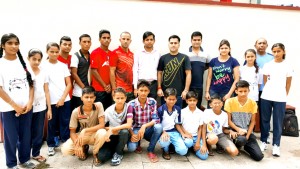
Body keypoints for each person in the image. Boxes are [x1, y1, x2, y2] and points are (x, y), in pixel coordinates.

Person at [0, 33, 36, 169]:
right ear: (2, 45)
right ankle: (11, 164)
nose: (14, 46)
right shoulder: (1, 64)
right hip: (9, 108)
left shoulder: (24, 63)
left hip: (26, 107)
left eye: (16, 43)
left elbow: (31, 84)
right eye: (10, 43)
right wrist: (14, 105)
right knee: (11, 138)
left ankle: (25, 159)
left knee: (26, 135)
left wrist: (30, 102)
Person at [260, 43, 293, 157]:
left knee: (278, 122)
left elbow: (288, 83)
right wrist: (270, 90)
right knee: (265, 120)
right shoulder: (268, 65)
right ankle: (263, 141)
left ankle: (276, 145)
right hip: (266, 96)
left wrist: (283, 94)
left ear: (283, 51)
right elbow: (265, 80)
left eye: (278, 51)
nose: (276, 53)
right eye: (274, 51)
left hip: (280, 97)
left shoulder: (287, 66)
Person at [61, 86, 106, 167]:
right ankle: (83, 148)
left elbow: (102, 125)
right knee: (65, 150)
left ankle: (96, 153)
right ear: (81, 98)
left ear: (94, 98)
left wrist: (85, 130)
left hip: (95, 134)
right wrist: (77, 146)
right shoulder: (76, 111)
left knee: (102, 132)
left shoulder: (99, 105)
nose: (89, 99)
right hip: (82, 137)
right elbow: (72, 132)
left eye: (91, 97)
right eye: (86, 97)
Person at [43, 42, 72, 156]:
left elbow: (69, 84)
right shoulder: (43, 66)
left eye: (56, 52)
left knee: (65, 122)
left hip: (65, 99)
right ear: (47, 52)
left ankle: (66, 144)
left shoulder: (62, 66)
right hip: (50, 100)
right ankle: (51, 145)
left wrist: (63, 98)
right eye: (52, 52)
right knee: (52, 124)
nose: (54, 54)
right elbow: (44, 86)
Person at [225, 80, 264, 161]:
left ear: (248, 91)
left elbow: (253, 121)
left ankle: (245, 145)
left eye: (245, 91)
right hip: (235, 131)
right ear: (236, 91)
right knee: (241, 140)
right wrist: (239, 130)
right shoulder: (229, 101)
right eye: (240, 91)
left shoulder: (253, 103)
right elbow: (228, 121)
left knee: (259, 157)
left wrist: (247, 136)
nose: (243, 93)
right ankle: (237, 144)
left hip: (247, 132)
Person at [127, 80, 162, 163]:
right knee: (131, 148)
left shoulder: (152, 102)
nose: (143, 93)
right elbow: (128, 123)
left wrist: (144, 126)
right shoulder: (131, 104)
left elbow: (156, 119)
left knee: (159, 127)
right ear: (137, 91)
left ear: (149, 91)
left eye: (145, 91)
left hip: (148, 128)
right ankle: (138, 143)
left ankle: (150, 150)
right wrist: (132, 134)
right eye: (141, 90)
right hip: (136, 129)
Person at [28, 48, 52, 163]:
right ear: (28, 58)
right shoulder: (24, 71)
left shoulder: (43, 72)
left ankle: (36, 154)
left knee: (38, 131)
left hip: (41, 106)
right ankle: (24, 155)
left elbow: (46, 91)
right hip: (26, 107)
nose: (37, 62)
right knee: (25, 132)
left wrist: (49, 108)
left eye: (39, 60)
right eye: (34, 59)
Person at [97, 87, 132, 166]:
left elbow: (128, 124)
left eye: (122, 98)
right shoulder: (109, 110)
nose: (120, 100)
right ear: (113, 98)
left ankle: (119, 153)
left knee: (124, 131)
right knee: (101, 157)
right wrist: (110, 130)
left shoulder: (129, 107)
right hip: (111, 136)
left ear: (125, 98)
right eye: (117, 98)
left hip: (123, 135)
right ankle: (115, 149)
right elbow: (101, 126)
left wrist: (114, 128)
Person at [157, 35, 191, 108]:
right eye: (171, 43)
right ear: (168, 44)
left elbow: (188, 74)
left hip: (179, 93)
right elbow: (159, 73)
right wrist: (159, 88)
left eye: (175, 43)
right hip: (165, 93)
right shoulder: (163, 58)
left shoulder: (184, 57)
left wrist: (186, 90)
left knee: (178, 114)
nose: (173, 45)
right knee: (165, 114)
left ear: (179, 44)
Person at [205, 39, 240, 104]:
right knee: (212, 111)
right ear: (219, 49)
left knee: (226, 112)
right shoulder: (213, 61)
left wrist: (229, 94)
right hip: (213, 91)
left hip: (227, 91)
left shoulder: (234, 61)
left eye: (226, 48)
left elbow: (237, 79)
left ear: (229, 49)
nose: (224, 50)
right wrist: (207, 92)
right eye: (222, 48)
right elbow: (209, 77)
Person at [158, 88, 189, 160]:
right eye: (169, 99)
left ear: (176, 99)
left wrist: (182, 133)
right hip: (163, 132)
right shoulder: (160, 109)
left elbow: (177, 124)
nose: (172, 101)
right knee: (164, 142)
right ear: (165, 98)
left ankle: (173, 146)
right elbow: (158, 124)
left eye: (173, 99)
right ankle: (165, 150)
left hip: (174, 132)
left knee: (183, 151)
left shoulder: (178, 109)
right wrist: (163, 132)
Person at [254, 38, 273, 137]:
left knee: (265, 113)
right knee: (251, 112)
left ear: (267, 45)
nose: (261, 45)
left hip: (266, 90)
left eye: (264, 43)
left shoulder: (271, 58)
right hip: (253, 91)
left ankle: (265, 135)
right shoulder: (251, 56)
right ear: (255, 45)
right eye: (259, 43)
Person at [133, 31, 160, 99]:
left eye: (151, 39)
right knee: (140, 105)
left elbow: (159, 71)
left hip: (153, 84)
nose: (149, 41)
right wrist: (135, 87)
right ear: (143, 41)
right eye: (147, 40)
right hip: (141, 84)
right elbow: (135, 70)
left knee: (152, 104)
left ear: (154, 41)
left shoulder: (157, 53)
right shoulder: (138, 53)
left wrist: (159, 86)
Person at [181, 91, 208, 160]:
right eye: (190, 100)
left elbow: (200, 128)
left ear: (197, 101)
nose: (192, 102)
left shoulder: (201, 113)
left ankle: (194, 148)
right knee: (188, 142)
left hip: (196, 136)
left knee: (204, 156)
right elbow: (180, 125)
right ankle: (189, 147)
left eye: (194, 100)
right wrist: (186, 133)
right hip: (186, 136)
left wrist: (198, 142)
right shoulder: (182, 112)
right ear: (186, 101)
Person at [186, 31, 210, 108]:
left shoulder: (205, 54)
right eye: (194, 40)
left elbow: (208, 66)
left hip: (199, 85)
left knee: (197, 106)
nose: (196, 42)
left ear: (201, 41)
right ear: (191, 40)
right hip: (187, 85)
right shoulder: (186, 54)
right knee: (186, 107)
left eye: (198, 40)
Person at [91, 30, 113, 110]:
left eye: (108, 38)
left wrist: (110, 85)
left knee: (108, 112)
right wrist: (105, 86)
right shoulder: (95, 52)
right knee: (100, 113)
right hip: (99, 90)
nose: (106, 40)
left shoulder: (112, 54)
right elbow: (93, 70)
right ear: (99, 39)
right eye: (104, 38)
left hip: (110, 89)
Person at [110, 31, 134, 102]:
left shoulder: (132, 54)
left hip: (130, 90)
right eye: (123, 39)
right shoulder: (115, 53)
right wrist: (114, 89)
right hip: (119, 89)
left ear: (130, 41)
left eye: (127, 39)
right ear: (120, 40)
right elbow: (111, 71)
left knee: (130, 112)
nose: (125, 41)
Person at [70, 34, 92, 111]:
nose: (86, 44)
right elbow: (73, 73)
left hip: (89, 91)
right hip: (78, 91)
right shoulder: (76, 56)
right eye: (84, 42)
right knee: (79, 113)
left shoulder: (91, 55)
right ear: (80, 43)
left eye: (88, 42)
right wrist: (83, 87)